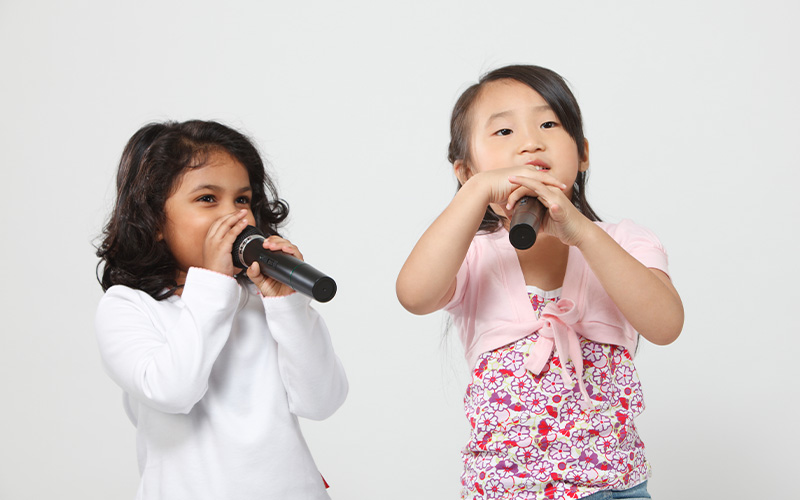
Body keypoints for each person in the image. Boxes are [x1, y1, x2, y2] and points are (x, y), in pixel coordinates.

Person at [396, 65, 683, 499]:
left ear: (582, 153)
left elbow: (665, 325)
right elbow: (414, 295)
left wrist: (583, 234)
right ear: (466, 171)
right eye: (504, 132)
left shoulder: (623, 241)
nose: (531, 141)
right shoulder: (473, 255)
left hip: (615, 488)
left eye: (549, 123)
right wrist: (475, 195)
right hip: (506, 491)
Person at [95, 120, 348, 500]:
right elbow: (173, 390)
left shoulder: (262, 302)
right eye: (207, 199)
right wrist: (212, 283)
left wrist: (288, 304)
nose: (235, 217)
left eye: (242, 199)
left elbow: (322, 399)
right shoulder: (128, 307)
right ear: (155, 221)